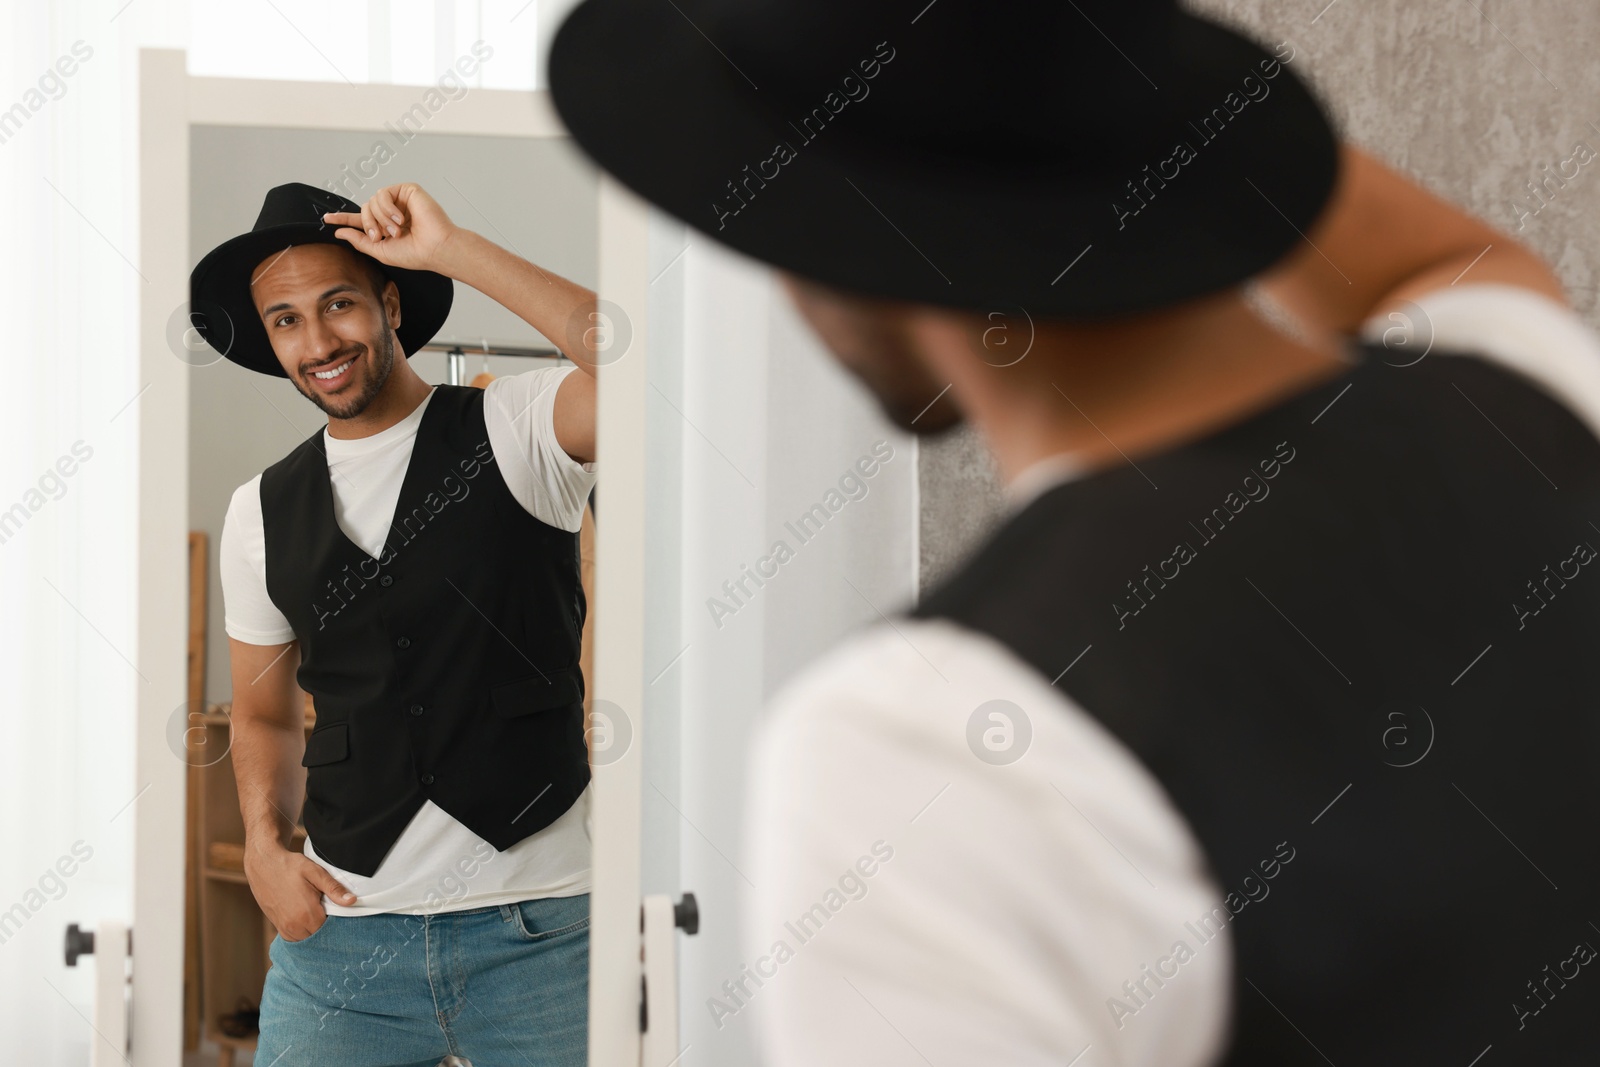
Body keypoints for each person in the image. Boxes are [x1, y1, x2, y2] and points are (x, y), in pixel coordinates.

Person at [548, 1, 1600, 1063]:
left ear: (835, 238)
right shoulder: (1533, 395)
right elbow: (1432, 264)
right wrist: (1120, 90)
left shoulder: (923, 737)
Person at [193, 181, 598, 1066]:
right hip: (342, 940)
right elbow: (260, 715)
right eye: (287, 320)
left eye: (338, 303)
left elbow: (639, 363)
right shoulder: (258, 511)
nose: (319, 342)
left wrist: (453, 248)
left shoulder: (516, 426)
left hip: (540, 937)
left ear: (391, 301)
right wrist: (263, 844)